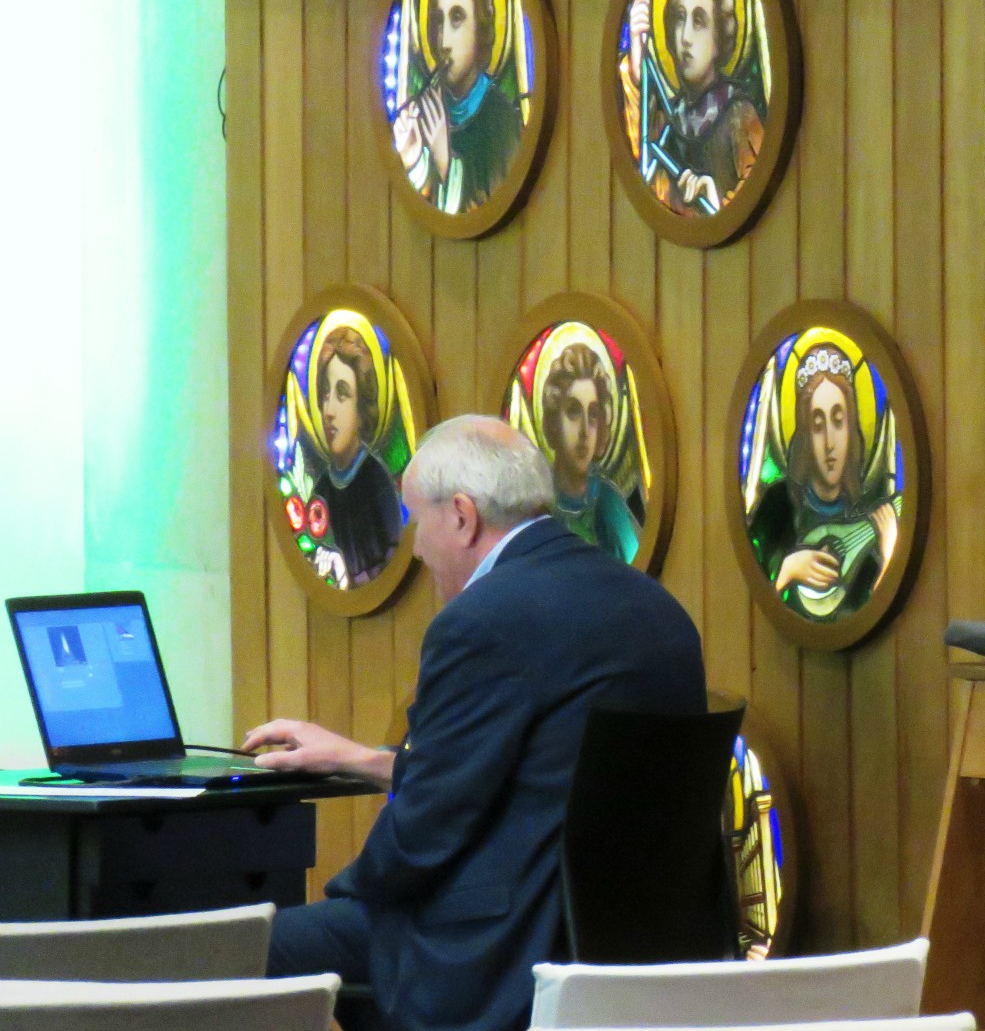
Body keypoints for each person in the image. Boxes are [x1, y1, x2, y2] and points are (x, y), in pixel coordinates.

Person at [247, 415, 706, 1031]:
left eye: (415, 521)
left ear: (461, 516)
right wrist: (363, 759)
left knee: (250, 946)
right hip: (642, 950)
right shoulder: (658, 610)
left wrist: (352, 888)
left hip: (495, 956)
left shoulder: (482, 621)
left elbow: (421, 836)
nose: (415, 547)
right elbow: (540, 773)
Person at [750, 340, 900, 621]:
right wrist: (788, 569)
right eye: (817, 425)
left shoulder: (871, 516)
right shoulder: (777, 507)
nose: (830, 442)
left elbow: (873, 618)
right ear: (805, 435)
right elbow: (748, 608)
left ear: (852, 430)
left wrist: (890, 553)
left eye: (838, 421)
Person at [624, 0, 766, 217]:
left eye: (699, 21)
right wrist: (638, 69)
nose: (685, 36)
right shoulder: (665, 120)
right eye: (679, 18)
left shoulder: (740, 116)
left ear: (719, 38)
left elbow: (757, 193)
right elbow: (644, 174)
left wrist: (716, 202)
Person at [392, 0, 524, 214]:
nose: (443, 42)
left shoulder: (502, 122)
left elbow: (490, 209)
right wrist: (412, 159)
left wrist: (444, 159)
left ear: (482, 29)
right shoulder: (423, 110)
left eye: (457, 18)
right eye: (438, 21)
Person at [305, 325, 403, 587]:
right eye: (325, 394)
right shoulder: (322, 488)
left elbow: (387, 568)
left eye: (342, 394)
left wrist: (347, 573)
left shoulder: (376, 484)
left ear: (362, 411)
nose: (329, 411)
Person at [539, 338, 643, 563]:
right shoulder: (536, 501)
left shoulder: (607, 503)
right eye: (574, 412)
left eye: (594, 415)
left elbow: (637, 572)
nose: (585, 430)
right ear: (553, 421)